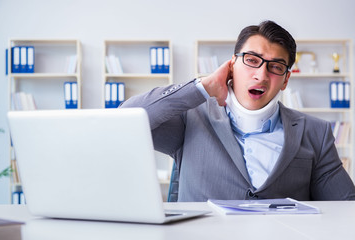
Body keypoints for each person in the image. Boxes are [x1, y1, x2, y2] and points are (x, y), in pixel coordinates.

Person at [121, 20, 355, 201]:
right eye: (252, 60)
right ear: (232, 65)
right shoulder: (190, 119)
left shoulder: (316, 133)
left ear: (285, 80)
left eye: (275, 67)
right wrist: (203, 87)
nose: (261, 75)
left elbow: (346, 209)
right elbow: (127, 117)